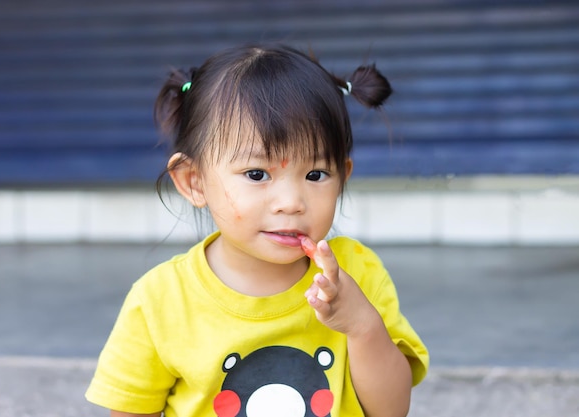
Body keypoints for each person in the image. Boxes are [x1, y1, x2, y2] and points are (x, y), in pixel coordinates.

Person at [86, 43, 429, 417]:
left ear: (342, 178)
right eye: (257, 174)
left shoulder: (358, 274)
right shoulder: (159, 302)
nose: (291, 201)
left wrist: (363, 326)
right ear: (194, 181)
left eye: (316, 175)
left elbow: (391, 411)